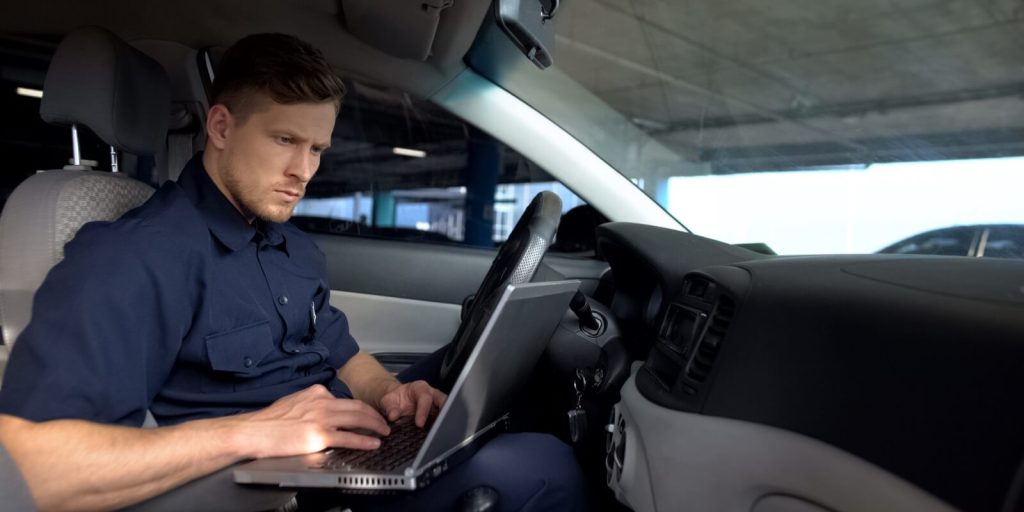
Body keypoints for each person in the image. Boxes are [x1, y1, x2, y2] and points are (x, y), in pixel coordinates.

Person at [0, 33, 584, 511]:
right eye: (284, 140)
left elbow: (339, 351)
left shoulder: (292, 247)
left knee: (518, 395)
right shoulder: (133, 257)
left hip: (346, 451)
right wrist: (253, 432)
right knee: (544, 465)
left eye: (317, 149)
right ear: (222, 127)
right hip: (277, 491)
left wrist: (388, 393)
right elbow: (36, 468)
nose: (303, 171)